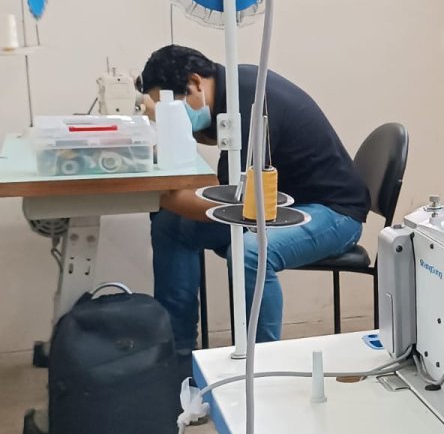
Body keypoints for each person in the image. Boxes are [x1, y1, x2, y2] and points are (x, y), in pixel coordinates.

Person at [137, 45, 370, 351]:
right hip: (278, 206)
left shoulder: (249, 102)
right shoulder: (232, 90)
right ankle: (178, 354)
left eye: (173, 108)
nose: (172, 117)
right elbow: (231, 193)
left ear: (195, 82)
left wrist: (151, 195)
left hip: (334, 214)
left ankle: (260, 364)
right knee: (171, 225)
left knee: (249, 253)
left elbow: (231, 207)